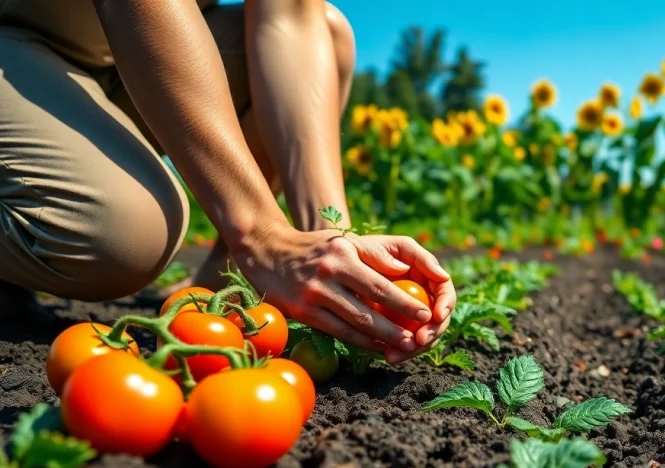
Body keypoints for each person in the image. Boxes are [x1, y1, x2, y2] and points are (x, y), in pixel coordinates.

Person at [0, 0, 455, 364]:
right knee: (117, 234)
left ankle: (224, 279)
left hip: (114, 54)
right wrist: (262, 235)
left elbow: (290, 16)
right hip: (17, 37)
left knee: (327, 33)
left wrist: (331, 238)